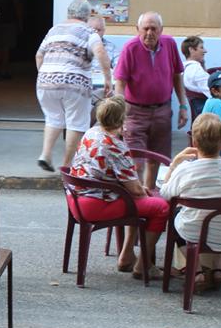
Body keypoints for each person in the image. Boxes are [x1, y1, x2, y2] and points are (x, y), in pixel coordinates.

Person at [66, 96, 171, 279]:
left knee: (136, 199)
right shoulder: (115, 146)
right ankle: (144, 265)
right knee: (160, 207)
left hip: (77, 198)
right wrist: (144, 189)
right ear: (122, 120)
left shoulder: (91, 133)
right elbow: (136, 189)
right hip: (96, 204)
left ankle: (127, 255)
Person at [160, 113, 221, 292]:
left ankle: (197, 272)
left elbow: (165, 194)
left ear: (194, 142)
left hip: (196, 233)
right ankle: (218, 269)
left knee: (175, 215)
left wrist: (174, 165)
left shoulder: (186, 169)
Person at [34, 0, 111, 172]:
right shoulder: (88, 31)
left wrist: (46, 74)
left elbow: (39, 55)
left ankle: (45, 154)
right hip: (74, 82)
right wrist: (107, 78)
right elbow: (100, 52)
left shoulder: (54, 30)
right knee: (76, 123)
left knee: (54, 118)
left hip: (46, 81)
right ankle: (67, 165)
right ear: (87, 16)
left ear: (68, 13)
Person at [113, 12, 188, 180]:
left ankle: (149, 194)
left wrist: (183, 105)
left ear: (161, 30)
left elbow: (177, 75)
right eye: (145, 29)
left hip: (162, 110)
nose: (149, 33)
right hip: (135, 113)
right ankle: (137, 198)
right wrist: (118, 114)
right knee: (136, 161)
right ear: (137, 29)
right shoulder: (130, 48)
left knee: (156, 159)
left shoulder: (169, 44)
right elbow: (120, 83)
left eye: (153, 29)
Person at [180, 36, 210, 105]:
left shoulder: (182, 68)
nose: (205, 51)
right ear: (191, 49)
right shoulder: (196, 70)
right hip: (204, 108)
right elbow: (213, 93)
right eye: (201, 47)